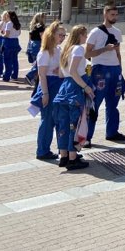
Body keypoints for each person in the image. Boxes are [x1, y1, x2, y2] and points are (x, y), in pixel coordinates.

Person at [53, 25, 94, 170]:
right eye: (85, 35)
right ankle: (72, 158)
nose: (86, 37)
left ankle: (63, 156)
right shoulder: (78, 49)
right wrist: (86, 86)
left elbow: (61, 74)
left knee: (63, 124)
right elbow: (73, 71)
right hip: (75, 89)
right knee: (74, 125)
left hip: (64, 89)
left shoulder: (65, 49)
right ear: (79, 35)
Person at [85, 5, 125, 146]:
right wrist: (104, 49)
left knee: (113, 103)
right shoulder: (95, 32)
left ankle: (112, 132)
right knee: (94, 104)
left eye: (116, 14)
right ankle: (86, 137)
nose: (115, 17)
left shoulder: (117, 32)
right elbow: (87, 53)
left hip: (115, 70)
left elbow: (118, 53)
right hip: (100, 70)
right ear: (105, 15)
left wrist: (120, 69)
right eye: (112, 14)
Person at [33, 21, 65, 160]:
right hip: (49, 86)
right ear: (52, 35)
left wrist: (62, 70)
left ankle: (63, 149)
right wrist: (45, 93)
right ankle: (42, 150)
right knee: (47, 120)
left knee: (60, 119)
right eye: (60, 35)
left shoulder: (58, 50)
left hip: (59, 85)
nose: (63, 38)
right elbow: (42, 75)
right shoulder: (45, 52)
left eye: (64, 35)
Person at [0, 10, 22, 82]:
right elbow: (19, 33)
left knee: (7, 60)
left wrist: (2, 35)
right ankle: (14, 75)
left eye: (7, 15)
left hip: (9, 42)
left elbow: (7, 35)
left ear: (9, 16)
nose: (6, 17)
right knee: (14, 60)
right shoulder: (17, 24)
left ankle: (6, 77)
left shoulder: (9, 23)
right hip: (15, 41)